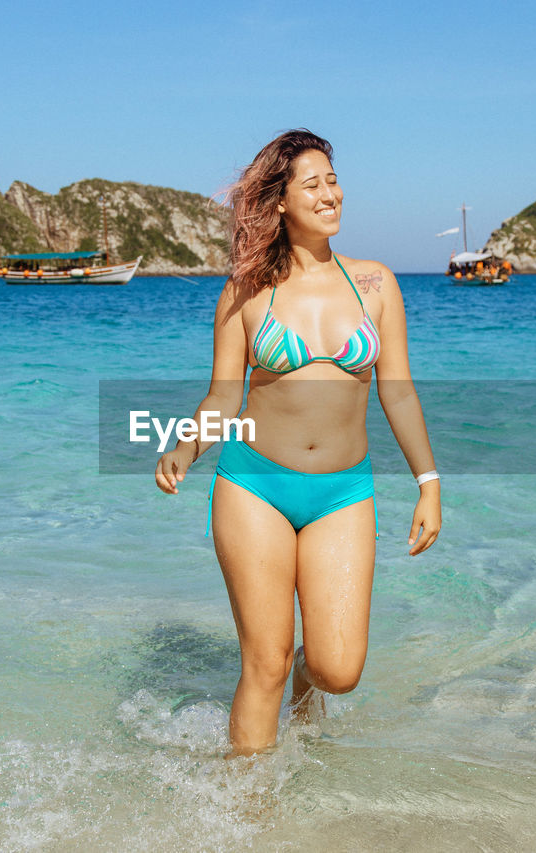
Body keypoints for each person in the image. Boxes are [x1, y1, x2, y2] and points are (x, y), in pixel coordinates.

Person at [154, 129, 441, 757]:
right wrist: (183, 448)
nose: (330, 193)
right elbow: (223, 398)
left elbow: (398, 394)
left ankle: (306, 695)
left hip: (343, 491)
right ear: (280, 201)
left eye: (333, 180)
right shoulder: (245, 292)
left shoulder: (376, 284)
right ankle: (245, 816)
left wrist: (428, 484)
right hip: (255, 484)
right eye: (312, 184)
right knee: (267, 662)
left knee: (338, 670)